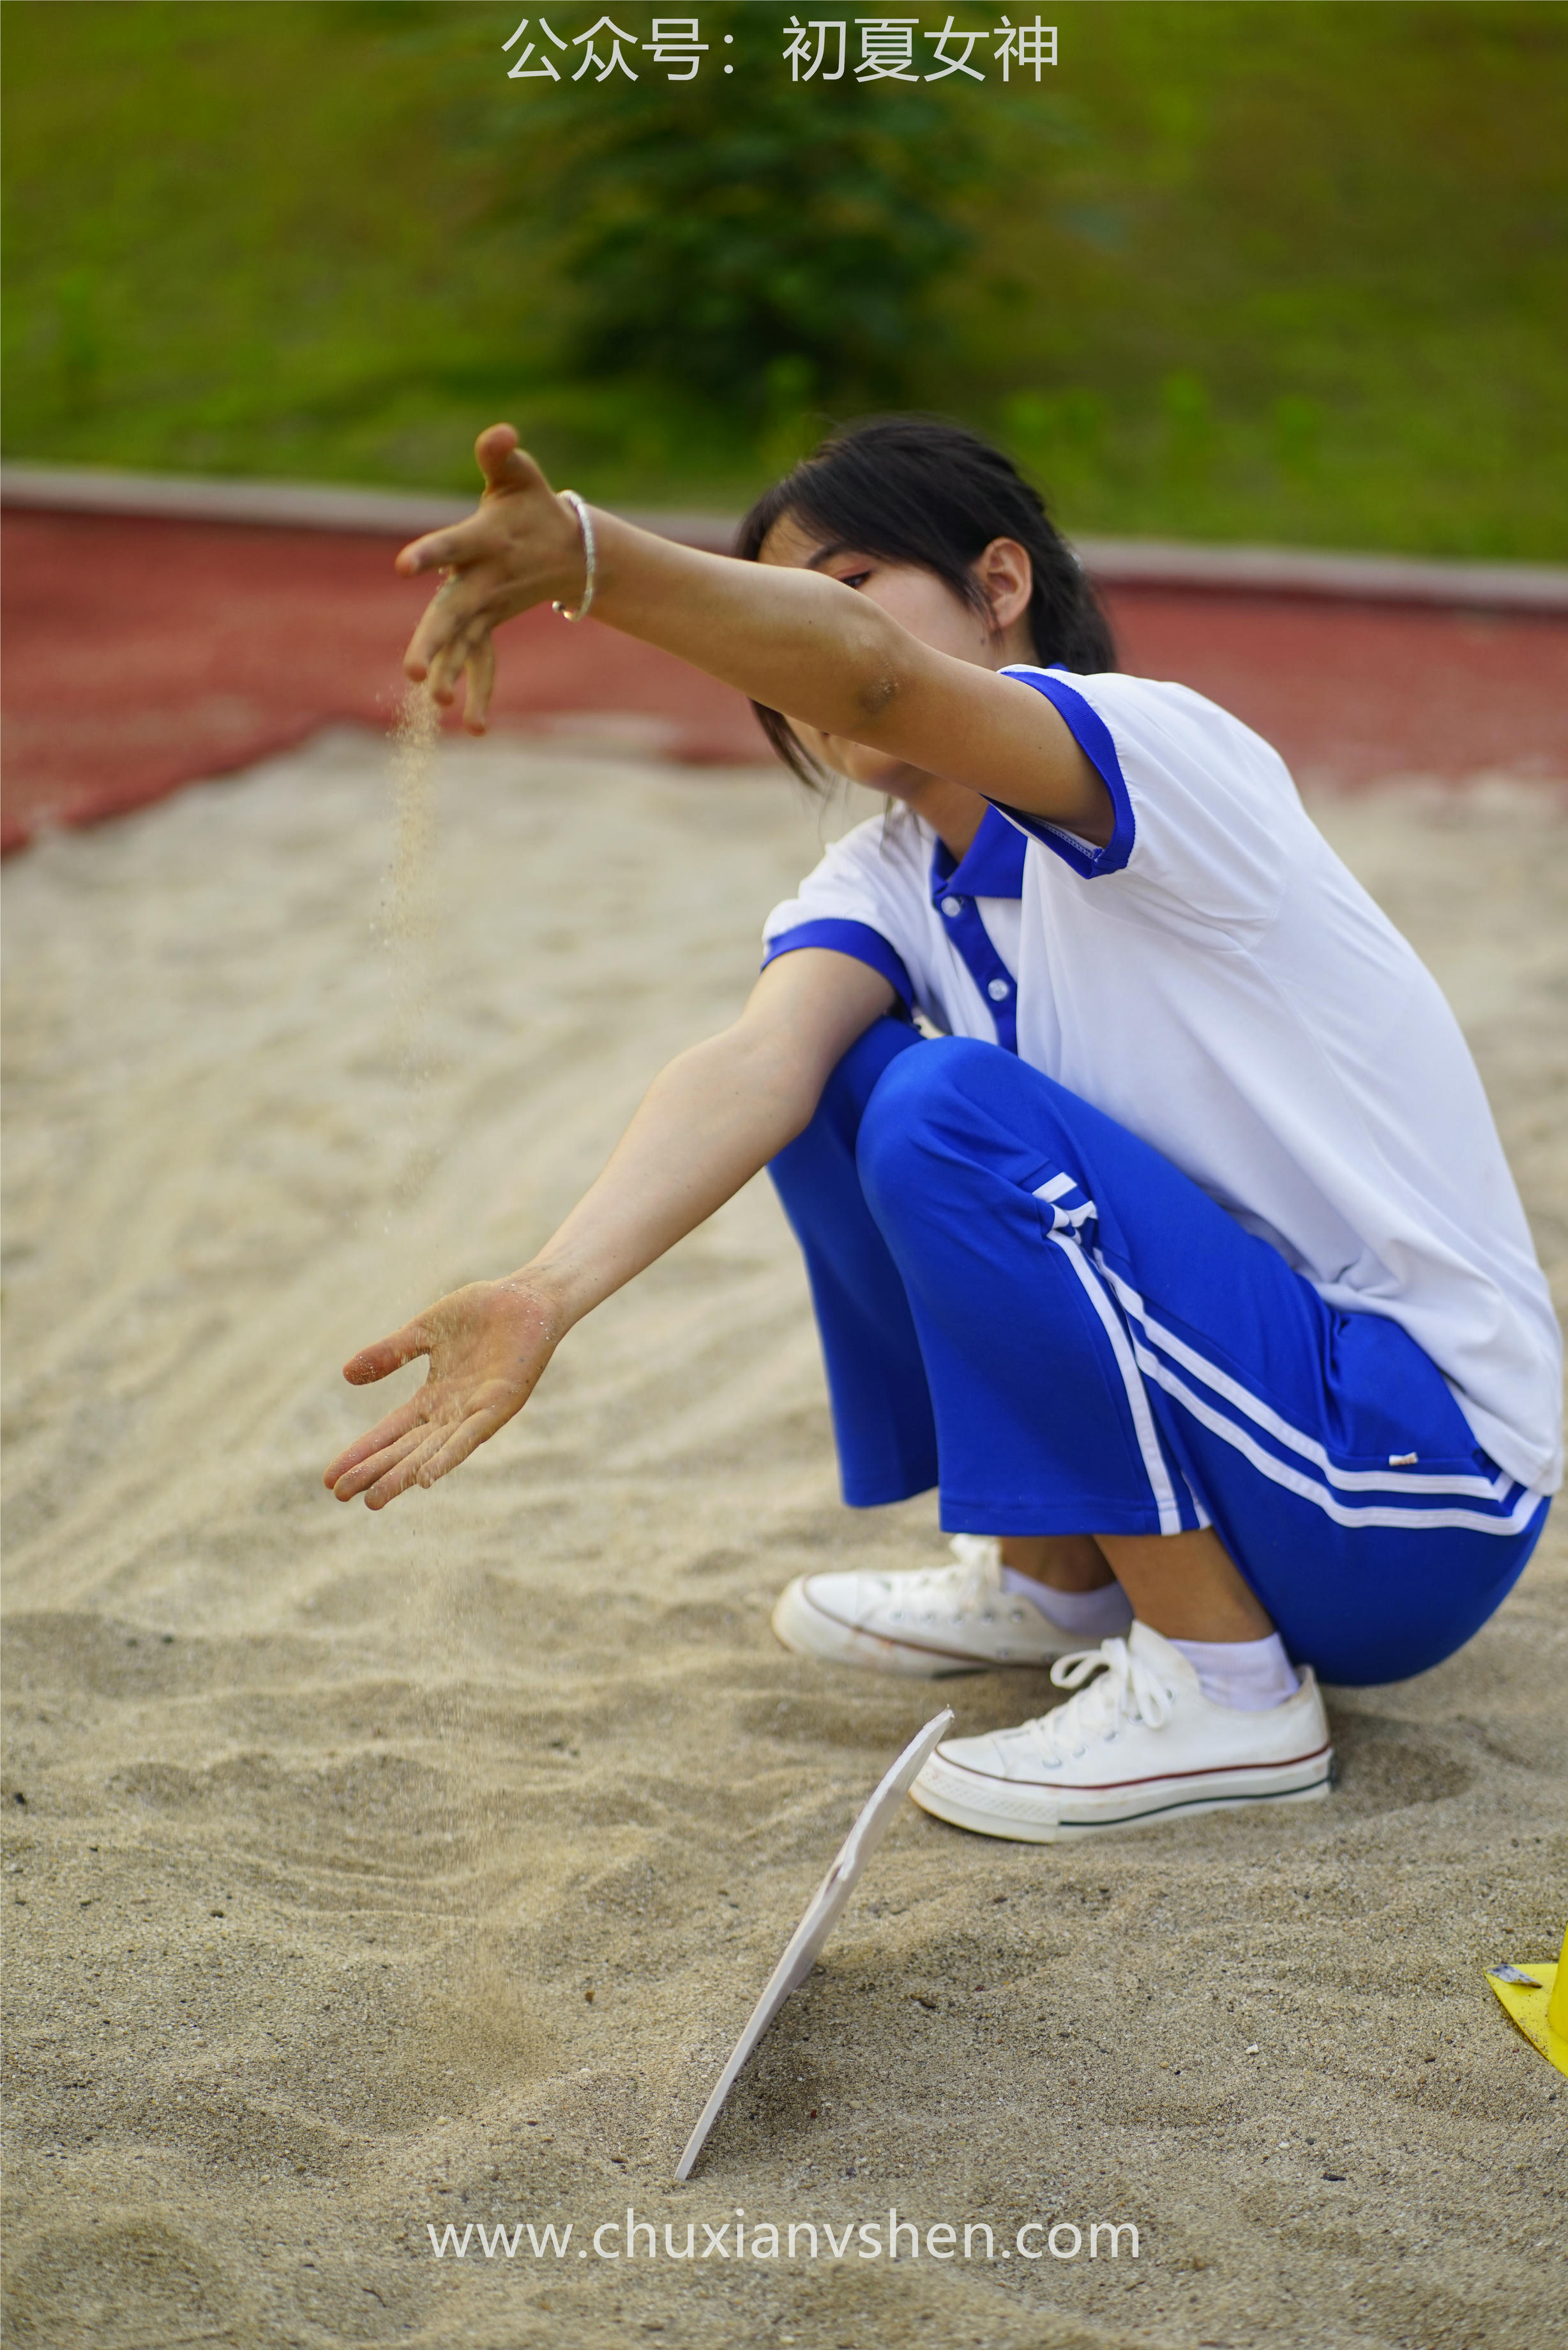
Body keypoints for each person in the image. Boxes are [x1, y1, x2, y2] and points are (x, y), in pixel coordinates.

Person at [324, 416, 1560, 1844]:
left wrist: (593, 559)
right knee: (840, 1083)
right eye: (780, 615)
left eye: (845, 584)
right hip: (1268, 1437)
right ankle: (1062, 1578)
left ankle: (1227, 1692)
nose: (806, 658)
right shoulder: (894, 871)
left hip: (1412, 1488)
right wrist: (547, 1289)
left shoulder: (1157, 750)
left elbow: (875, 676)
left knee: (940, 1110)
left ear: (999, 584)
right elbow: (752, 1062)